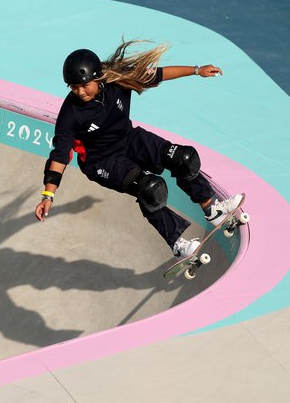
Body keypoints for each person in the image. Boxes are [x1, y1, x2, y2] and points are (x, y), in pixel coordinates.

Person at [34, 40, 243, 259]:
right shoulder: (70, 114)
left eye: (84, 85)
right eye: (73, 87)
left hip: (131, 139)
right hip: (102, 162)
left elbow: (159, 74)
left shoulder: (118, 80)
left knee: (184, 158)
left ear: (97, 78)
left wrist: (197, 70)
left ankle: (211, 209)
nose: (80, 92)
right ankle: (177, 243)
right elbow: (59, 156)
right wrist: (48, 194)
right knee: (150, 188)